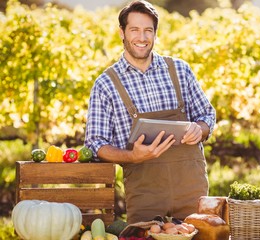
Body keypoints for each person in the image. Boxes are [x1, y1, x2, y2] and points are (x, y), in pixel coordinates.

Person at [84, 0, 216, 224]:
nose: (142, 38)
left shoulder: (180, 70)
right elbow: (96, 144)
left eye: (148, 30)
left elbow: (207, 116)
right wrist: (132, 156)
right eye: (134, 30)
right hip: (145, 195)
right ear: (122, 32)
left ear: (155, 33)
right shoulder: (106, 84)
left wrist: (200, 129)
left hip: (191, 190)